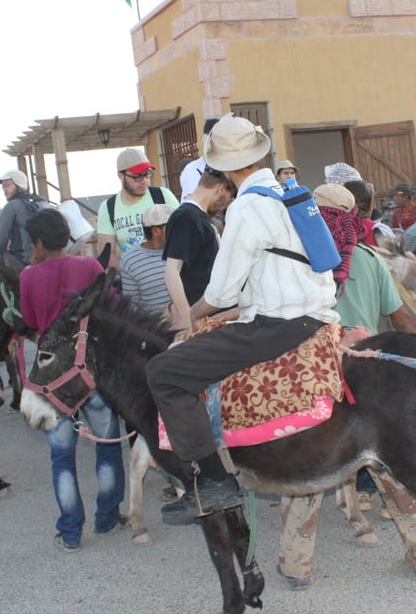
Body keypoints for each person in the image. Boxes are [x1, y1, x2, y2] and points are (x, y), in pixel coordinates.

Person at [145, 116, 338, 517]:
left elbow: (220, 292)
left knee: (163, 371)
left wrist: (190, 318)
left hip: (277, 324)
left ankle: (214, 480)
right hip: (313, 313)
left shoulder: (247, 207)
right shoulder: (287, 193)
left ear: (225, 168)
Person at [276, 184, 416, 588]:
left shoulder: (297, 257)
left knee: (305, 467)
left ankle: (296, 566)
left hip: (315, 374)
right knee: (388, 465)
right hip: (368, 376)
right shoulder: (367, 257)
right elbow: (401, 320)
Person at [19, 208, 127, 550]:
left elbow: (32, 322)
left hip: (53, 379)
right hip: (90, 371)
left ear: (38, 242)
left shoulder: (28, 277)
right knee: (107, 449)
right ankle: (107, 520)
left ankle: (70, 533)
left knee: (62, 456)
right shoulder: (90, 266)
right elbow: (112, 307)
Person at [163, 166, 237, 332]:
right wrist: (187, 317)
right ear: (221, 188)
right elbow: (171, 271)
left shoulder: (200, 217)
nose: (225, 205)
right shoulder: (186, 217)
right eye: (229, 197)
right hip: (204, 320)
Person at [96, 148, 179, 269]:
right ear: (120, 176)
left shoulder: (163, 195)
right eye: (136, 177)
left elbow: (184, 233)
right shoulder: (108, 207)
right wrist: (133, 274)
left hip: (168, 270)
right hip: (132, 277)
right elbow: (107, 253)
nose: (144, 181)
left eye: (147, 174)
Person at [119, 204, 173, 317]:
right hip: (156, 329)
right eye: (172, 227)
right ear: (156, 231)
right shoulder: (130, 261)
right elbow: (131, 307)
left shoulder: (182, 251)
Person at [0, 169, 47, 267]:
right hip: (47, 257)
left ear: (19, 185)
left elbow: (0, 242)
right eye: (3, 186)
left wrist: (4, 255)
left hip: (22, 260)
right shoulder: (42, 202)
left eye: (8, 185)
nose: (5, 189)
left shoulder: (11, 206)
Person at [179, 118, 220, 201]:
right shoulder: (191, 169)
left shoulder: (232, 167)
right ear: (202, 138)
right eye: (209, 136)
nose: (212, 141)